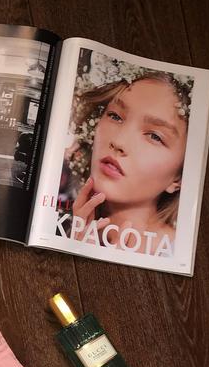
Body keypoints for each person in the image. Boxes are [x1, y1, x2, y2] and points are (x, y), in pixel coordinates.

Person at [66, 70, 191, 255]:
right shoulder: (69, 229)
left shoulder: (176, 253)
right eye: (115, 116)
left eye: (154, 136)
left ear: (179, 177)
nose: (119, 142)